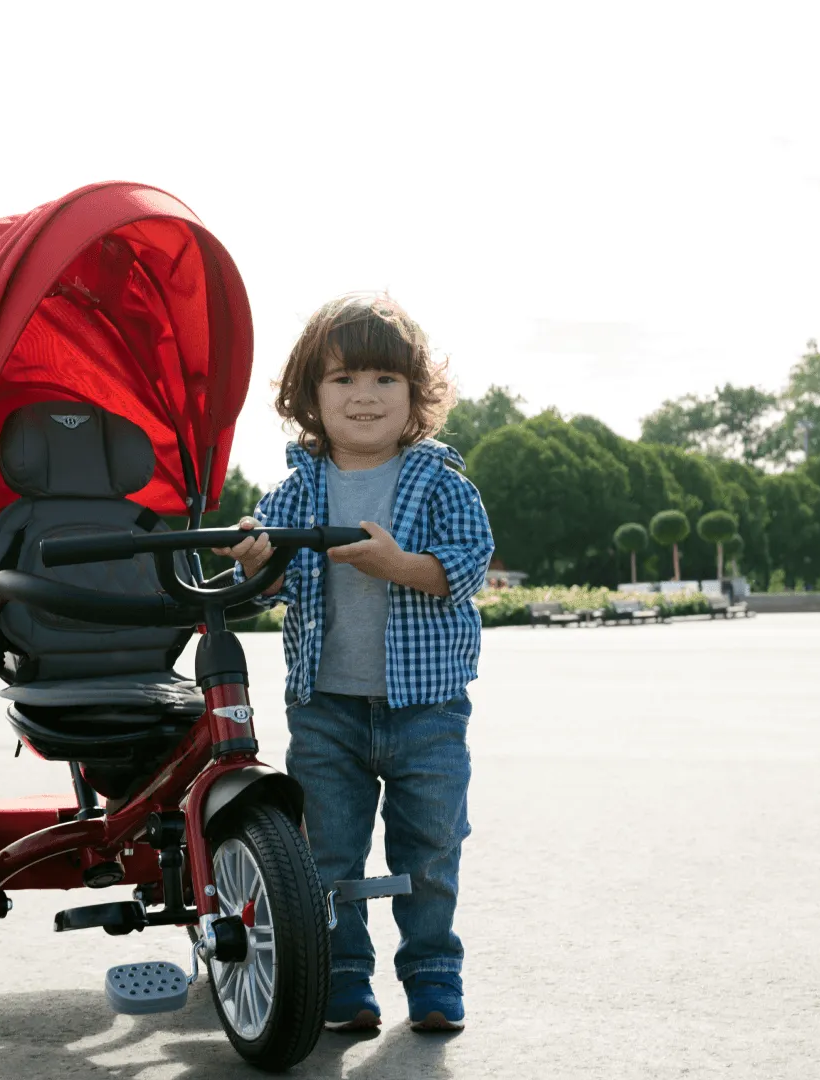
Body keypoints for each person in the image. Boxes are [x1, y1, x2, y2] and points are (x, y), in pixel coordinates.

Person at [215, 293, 494, 1033]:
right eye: (342, 381)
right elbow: (267, 579)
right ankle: (343, 978)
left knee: (429, 848)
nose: (363, 397)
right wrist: (255, 554)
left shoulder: (439, 480)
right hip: (326, 708)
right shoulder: (296, 487)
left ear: (414, 396)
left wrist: (401, 564)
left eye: (382, 380)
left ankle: (433, 973)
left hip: (426, 709)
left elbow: (467, 565)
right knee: (329, 854)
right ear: (311, 396)